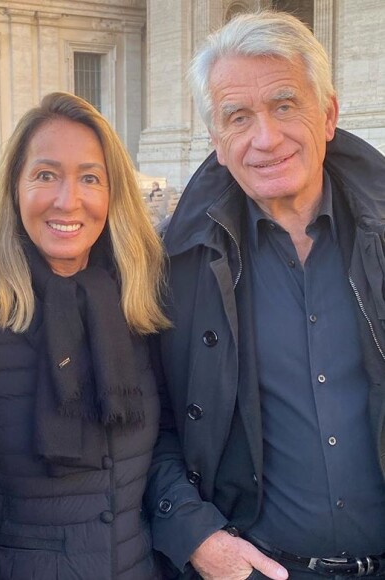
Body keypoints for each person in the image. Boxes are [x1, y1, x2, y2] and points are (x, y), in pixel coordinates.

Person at [158, 10, 385, 580]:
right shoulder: (173, 265)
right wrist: (197, 535)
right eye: (238, 117)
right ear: (216, 140)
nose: (265, 138)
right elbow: (147, 422)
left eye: (285, 106)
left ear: (328, 114)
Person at [0, 91, 171, 579]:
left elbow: (169, 446)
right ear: (14, 187)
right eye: (45, 175)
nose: (67, 199)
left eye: (90, 178)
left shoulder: (139, 306)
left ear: (113, 193)